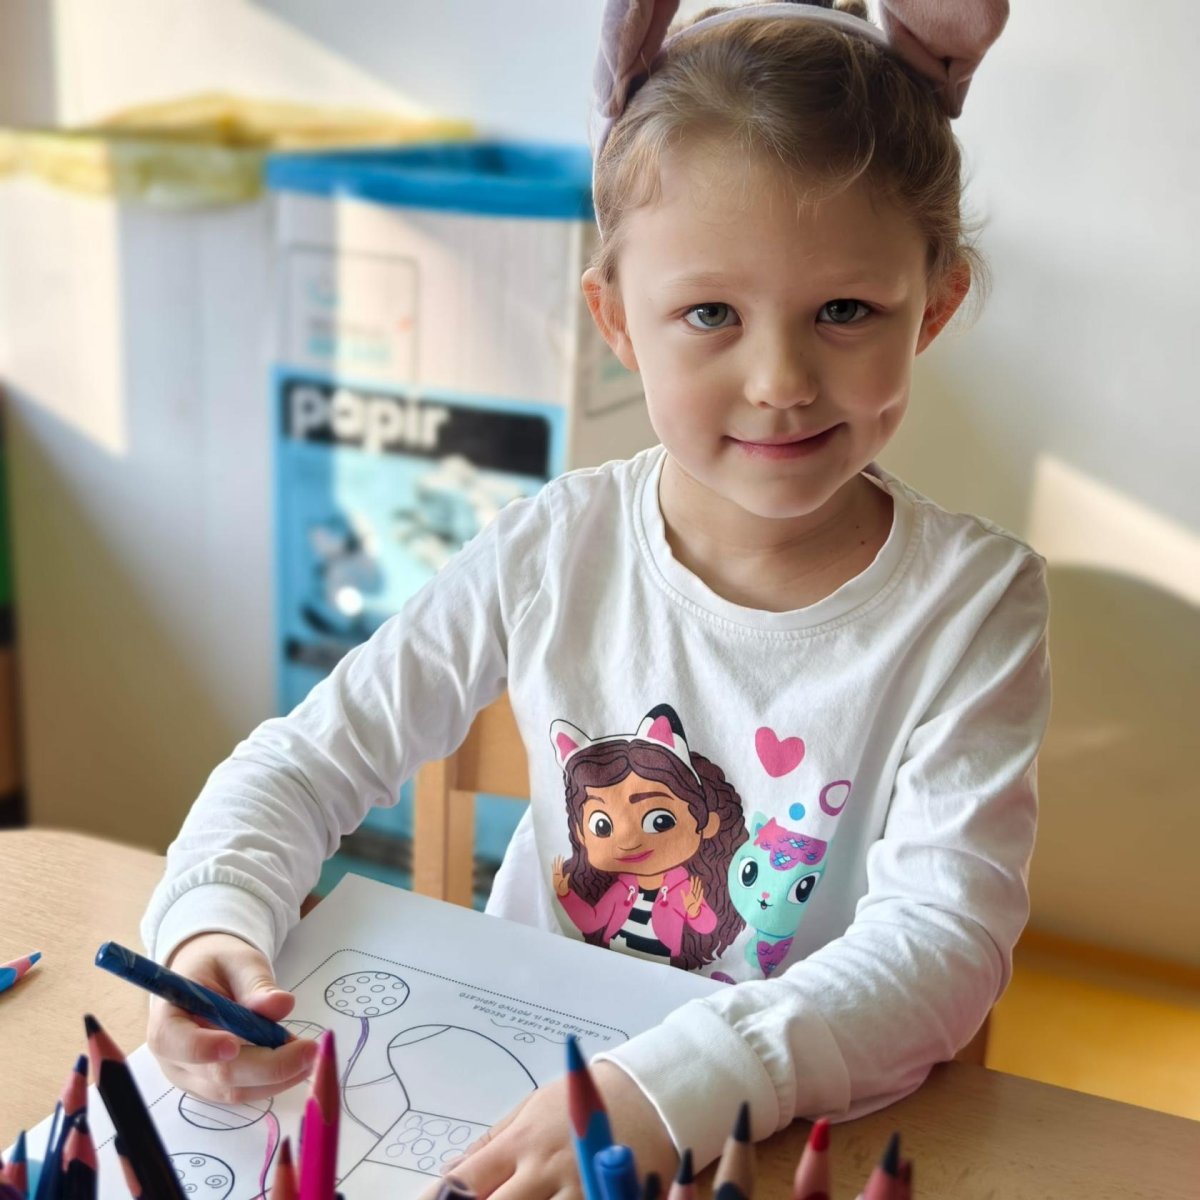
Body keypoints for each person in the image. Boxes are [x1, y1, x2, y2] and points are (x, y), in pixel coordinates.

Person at [142, 0, 1047, 1195]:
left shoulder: (975, 607)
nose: (779, 380)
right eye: (710, 314)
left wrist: (679, 1084)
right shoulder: (550, 547)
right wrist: (213, 922)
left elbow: (943, 945)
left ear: (932, 305)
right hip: (511, 1106)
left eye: (845, 311)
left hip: (776, 1138)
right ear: (617, 316)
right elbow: (304, 764)